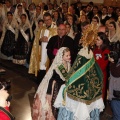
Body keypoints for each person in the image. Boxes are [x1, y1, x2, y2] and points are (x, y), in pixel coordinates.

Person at [54, 24, 104, 120]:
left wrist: (68, 81)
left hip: (80, 91)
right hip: (92, 89)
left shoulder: (83, 53)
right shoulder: (90, 53)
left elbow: (76, 70)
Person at [32, 47, 71, 120]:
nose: (69, 57)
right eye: (67, 55)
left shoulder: (68, 64)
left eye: (69, 55)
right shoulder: (57, 67)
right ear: (61, 56)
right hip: (56, 88)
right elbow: (51, 80)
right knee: (54, 106)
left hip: (64, 88)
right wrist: (49, 92)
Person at [28, 12, 57, 81]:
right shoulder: (42, 28)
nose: (47, 21)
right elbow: (37, 40)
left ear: (51, 19)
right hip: (42, 51)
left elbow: (57, 41)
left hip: (50, 53)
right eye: (45, 20)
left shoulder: (56, 29)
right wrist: (40, 39)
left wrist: (48, 40)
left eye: (49, 19)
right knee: (41, 67)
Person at [93, 32, 110, 102]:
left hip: (101, 74)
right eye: (96, 39)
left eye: (98, 40)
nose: (96, 41)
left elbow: (104, 65)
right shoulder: (94, 49)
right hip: (93, 74)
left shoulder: (106, 51)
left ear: (103, 41)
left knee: (101, 92)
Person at [108, 50, 120, 120]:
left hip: (117, 95)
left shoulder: (115, 64)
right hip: (116, 94)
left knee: (117, 116)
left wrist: (112, 63)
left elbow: (116, 73)